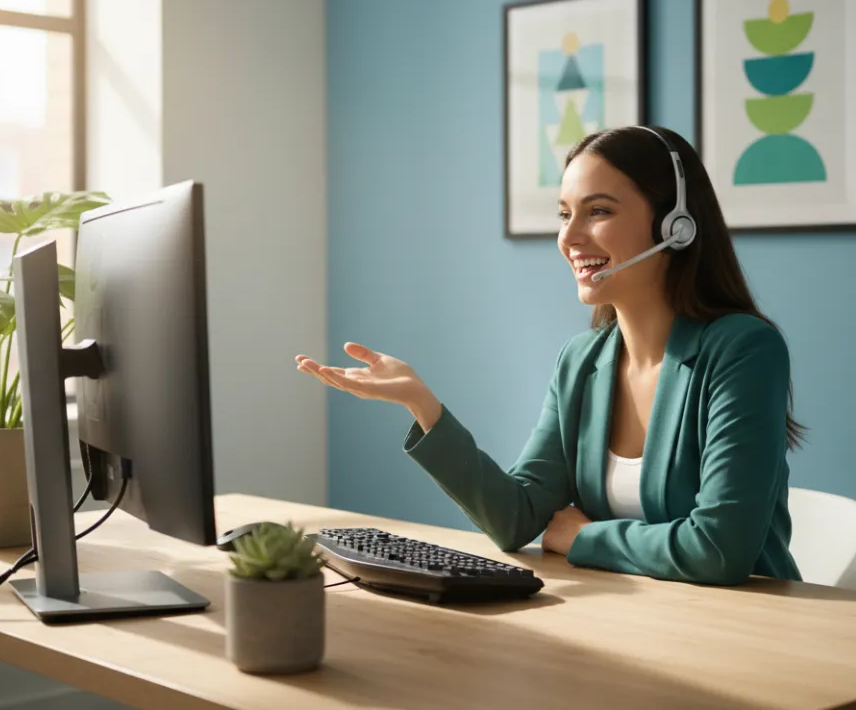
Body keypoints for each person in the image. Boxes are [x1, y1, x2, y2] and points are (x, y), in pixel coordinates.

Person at [296, 125, 804, 585]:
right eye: (564, 215)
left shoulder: (743, 349)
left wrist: (583, 539)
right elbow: (517, 518)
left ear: (675, 223)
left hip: (745, 630)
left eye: (598, 211)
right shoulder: (581, 361)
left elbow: (718, 550)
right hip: (635, 623)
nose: (569, 237)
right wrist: (423, 407)